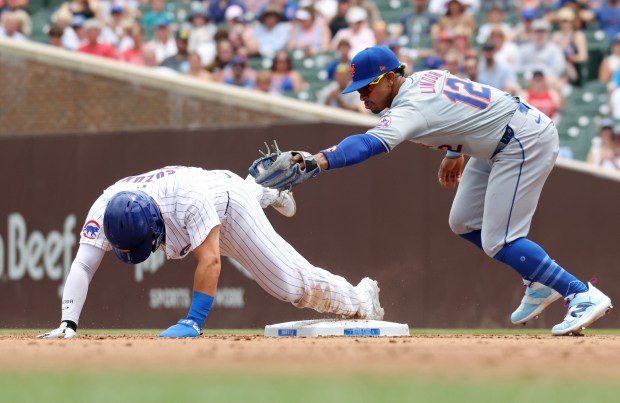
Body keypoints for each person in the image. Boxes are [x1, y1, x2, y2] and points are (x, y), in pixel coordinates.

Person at [264, 46, 613, 336]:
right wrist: (455, 150)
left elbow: (368, 144)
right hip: (499, 137)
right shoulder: (423, 79)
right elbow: (466, 106)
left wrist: (317, 161)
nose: (361, 94)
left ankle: (579, 293)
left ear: (389, 79)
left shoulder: (410, 106)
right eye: (358, 89)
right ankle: (539, 280)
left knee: (500, 240)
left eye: (368, 87)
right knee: (463, 221)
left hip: (521, 141)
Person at [37, 166, 384, 339]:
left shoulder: (187, 200)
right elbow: (83, 265)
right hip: (209, 195)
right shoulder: (105, 206)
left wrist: (193, 321)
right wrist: (68, 323)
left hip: (228, 208)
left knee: (291, 286)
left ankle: (361, 299)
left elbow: (210, 260)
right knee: (287, 283)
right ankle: (262, 187)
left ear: (154, 221)